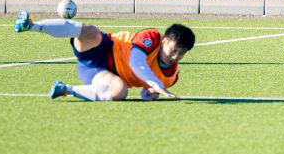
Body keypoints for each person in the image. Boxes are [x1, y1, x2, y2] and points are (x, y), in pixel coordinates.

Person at [14, 11, 194, 102]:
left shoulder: (171, 76)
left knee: (120, 91)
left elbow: (145, 93)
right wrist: (155, 83)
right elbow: (135, 60)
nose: (176, 56)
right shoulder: (152, 37)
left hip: (96, 71)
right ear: (164, 41)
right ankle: (31, 25)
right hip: (103, 47)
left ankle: (66, 89)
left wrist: (150, 93)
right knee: (91, 32)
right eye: (174, 49)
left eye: (182, 53)